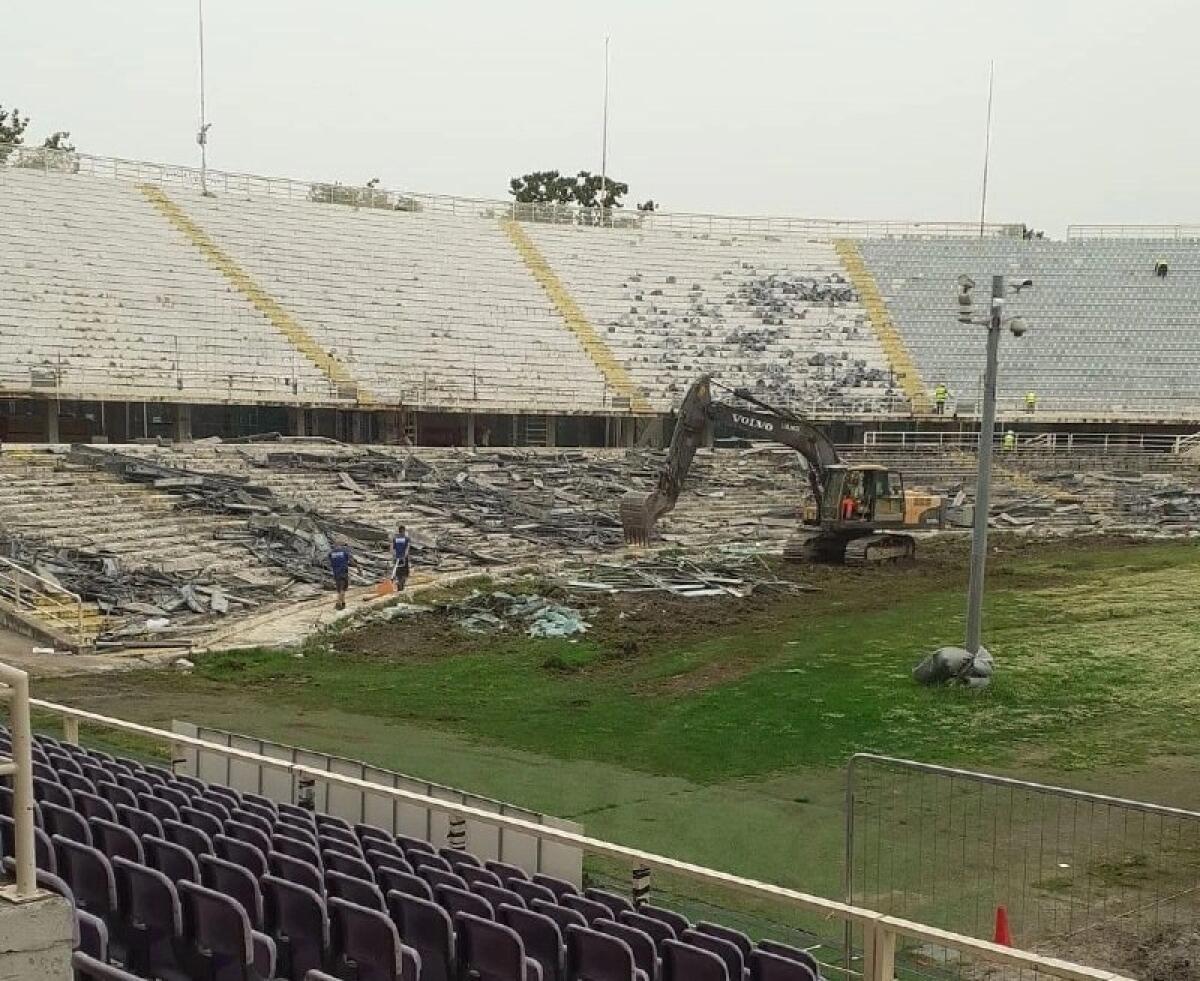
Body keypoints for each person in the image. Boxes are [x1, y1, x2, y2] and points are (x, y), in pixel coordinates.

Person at [329, 541, 352, 610]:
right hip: (343, 572)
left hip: (336, 573)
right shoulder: (344, 552)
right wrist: (358, 568)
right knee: (342, 589)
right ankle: (338, 604)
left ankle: (343, 603)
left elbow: (331, 561)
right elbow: (351, 561)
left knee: (340, 589)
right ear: (340, 545)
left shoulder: (331, 553)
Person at [391, 524, 411, 590]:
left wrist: (394, 556)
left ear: (399, 531)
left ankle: (399, 584)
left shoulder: (395, 538)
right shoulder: (406, 538)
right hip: (404, 558)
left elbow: (393, 548)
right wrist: (404, 556)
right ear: (404, 530)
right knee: (404, 573)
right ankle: (401, 585)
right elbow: (407, 549)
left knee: (398, 572)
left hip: (397, 558)